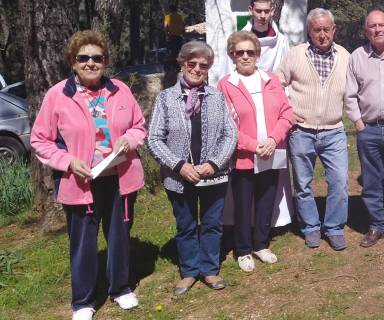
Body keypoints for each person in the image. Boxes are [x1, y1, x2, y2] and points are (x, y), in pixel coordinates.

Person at [30, 30, 146, 320]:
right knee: (82, 243)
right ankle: (83, 301)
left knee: (119, 236)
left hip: (120, 178)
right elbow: (40, 140)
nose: (91, 63)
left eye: (97, 58)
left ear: (105, 61)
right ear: (73, 61)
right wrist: (68, 161)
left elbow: (139, 126)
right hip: (80, 182)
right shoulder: (57, 95)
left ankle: (120, 288)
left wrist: (129, 140)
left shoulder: (120, 89)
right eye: (84, 58)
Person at [147, 41, 237, 295]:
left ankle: (209, 269)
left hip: (214, 176)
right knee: (185, 225)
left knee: (212, 224)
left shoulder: (217, 97)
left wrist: (213, 163)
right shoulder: (165, 98)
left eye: (203, 65)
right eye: (192, 63)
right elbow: (154, 139)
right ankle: (189, 271)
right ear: (182, 63)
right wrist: (179, 166)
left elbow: (230, 135)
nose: (197, 69)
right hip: (179, 177)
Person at [276, 8, 351, 250]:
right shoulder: (295, 55)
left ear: (333, 30)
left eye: (326, 29)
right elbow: (276, 84)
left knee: (339, 181)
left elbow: (355, 89)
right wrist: (288, 110)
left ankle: (334, 227)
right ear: (309, 31)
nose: (322, 34)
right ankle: (310, 227)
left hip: (334, 130)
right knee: (303, 184)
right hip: (302, 131)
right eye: (316, 29)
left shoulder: (345, 56)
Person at [219, 32, 293, 270]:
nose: (245, 56)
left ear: (258, 55)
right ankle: (243, 250)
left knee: (266, 199)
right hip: (244, 156)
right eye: (239, 52)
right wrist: (253, 146)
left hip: (272, 152)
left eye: (250, 52)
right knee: (242, 203)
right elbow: (226, 124)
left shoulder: (270, 80)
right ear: (232, 56)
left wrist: (273, 139)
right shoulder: (226, 84)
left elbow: (287, 113)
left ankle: (261, 244)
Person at [345, 10, 384, 247]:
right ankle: (377, 225)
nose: (377, 29)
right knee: (371, 180)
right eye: (372, 26)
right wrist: (359, 123)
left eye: (382, 25)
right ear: (365, 30)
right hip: (369, 129)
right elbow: (350, 95)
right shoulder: (357, 57)